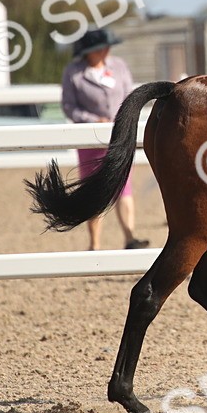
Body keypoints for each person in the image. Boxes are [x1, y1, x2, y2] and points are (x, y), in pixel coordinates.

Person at [61, 27, 150, 251]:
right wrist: (93, 119)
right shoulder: (74, 72)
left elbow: (130, 95)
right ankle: (95, 243)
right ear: (89, 51)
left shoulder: (118, 66)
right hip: (90, 137)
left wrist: (124, 118)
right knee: (94, 190)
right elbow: (69, 106)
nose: (106, 51)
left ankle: (130, 237)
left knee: (124, 186)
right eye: (101, 48)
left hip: (119, 135)